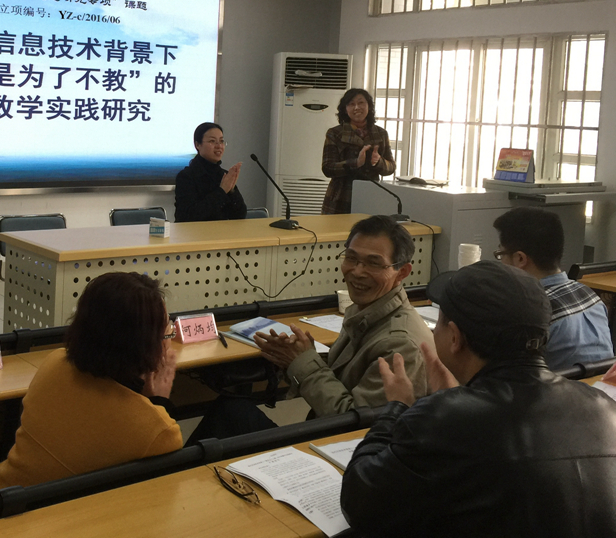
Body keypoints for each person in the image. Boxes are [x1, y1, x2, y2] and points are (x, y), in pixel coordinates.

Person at [341, 261, 616, 537]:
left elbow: (359, 503)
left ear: (455, 337)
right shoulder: (603, 406)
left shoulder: (442, 418)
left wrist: (396, 408)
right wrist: (452, 401)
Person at [0, 272, 182, 499]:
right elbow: (161, 441)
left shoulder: (54, 363)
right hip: (41, 516)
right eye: (167, 332)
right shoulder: (156, 431)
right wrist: (158, 401)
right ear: (148, 347)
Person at [254, 215, 434, 416]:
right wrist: (299, 357)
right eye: (351, 258)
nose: (357, 272)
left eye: (373, 263)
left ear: (402, 272)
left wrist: (304, 362)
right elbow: (343, 379)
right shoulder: (365, 310)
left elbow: (354, 420)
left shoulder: (400, 346)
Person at [493, 206, 613, 370]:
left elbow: (506, 374)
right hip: (602, 385)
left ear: (520, 259)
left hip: (556, 387)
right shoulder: (591, 295)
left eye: (501, 255)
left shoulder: (532, 312)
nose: (501, 262)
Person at [321, 88, 395, 214]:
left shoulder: (381, 133)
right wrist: (355, 163)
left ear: (369, 106)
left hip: (371, 196)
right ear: (345, 109)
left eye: (361, 103)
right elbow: (327, 168)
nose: (356, 107)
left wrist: (378, 162)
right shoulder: (335, 133)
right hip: (341, 196)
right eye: (351, 104)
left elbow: (391, 167)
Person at [174, 122, 247, 222]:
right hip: (194, 232)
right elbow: (188, 216)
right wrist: (222, 191)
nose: (219, 146)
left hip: (223, 231)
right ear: (197, 145)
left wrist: (232, 191)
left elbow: (240, 215)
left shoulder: (223, 175)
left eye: (221, 141)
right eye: (212, 141)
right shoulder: (186, 177)